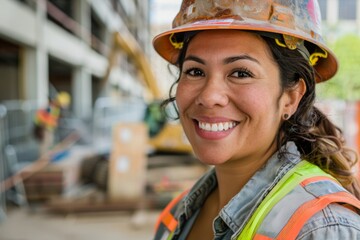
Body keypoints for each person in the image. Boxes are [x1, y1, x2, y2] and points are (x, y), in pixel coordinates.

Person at [152, 0, 360, 239]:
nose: (209, 97)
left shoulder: (320, 228)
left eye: (241, 73)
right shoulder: (176, 214)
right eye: (195, 71)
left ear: (291, 97)